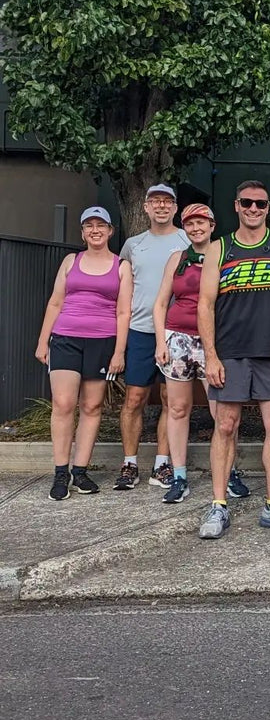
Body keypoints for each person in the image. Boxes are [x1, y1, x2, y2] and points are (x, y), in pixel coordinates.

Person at [196, 180, 270, 539]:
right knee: (225, 426)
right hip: (229, 352)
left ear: (267, 207)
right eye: (247, 203)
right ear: (236, 205)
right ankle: (218, 506)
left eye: (260, 204)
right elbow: (205, 304)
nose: (253, 209)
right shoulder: (219, 248)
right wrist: (210, 356)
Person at [35, 207, 133, 501]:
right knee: (64, 404)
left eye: (100, 225)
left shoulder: (121, 266)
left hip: (102, 341)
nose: (95, 230)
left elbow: (123, 311)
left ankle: (80, 470)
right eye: (89, 225)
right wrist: (43, 342)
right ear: (82, 232)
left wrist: (119, 351)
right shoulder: (70, 261)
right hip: (65, 338)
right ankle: (61, 472)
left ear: (110, 231)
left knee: (91, 407)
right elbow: (55, 302)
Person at [151, 202, 235, 504]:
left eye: (202, 222)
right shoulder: (177, 258)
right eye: (190, 223)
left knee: (221, 412)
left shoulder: (225, 255)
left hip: (213, 341)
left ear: (212, 225)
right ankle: (179, 475)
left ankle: (229, 471)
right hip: (178, 338)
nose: (196, 228)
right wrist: (161, 342)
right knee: (177, 408)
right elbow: (161, 303)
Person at [114, 183, 189, 491]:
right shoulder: (133, 244)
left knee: (172, 400)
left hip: (178, 332)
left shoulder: (188, 240)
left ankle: (162, 464)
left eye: (167, 202)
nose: (161, 206)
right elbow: (122, 292)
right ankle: (130, 463)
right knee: (134, 399)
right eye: (155, 201)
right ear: (145, 207)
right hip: (141, 331)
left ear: (175, 208)